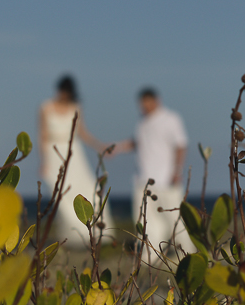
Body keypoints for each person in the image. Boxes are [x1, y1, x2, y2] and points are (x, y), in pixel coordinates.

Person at [110, 87, 191, 262]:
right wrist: (116, 148)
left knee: (175, 218)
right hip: (143, 180)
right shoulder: (142, 123)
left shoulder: (171, 119)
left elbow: (181, 145)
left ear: (156, 100)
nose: (144, 106)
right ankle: (150, 258)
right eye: (141, 103)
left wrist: (177, 171)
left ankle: (189, 255)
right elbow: (138, 143)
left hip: (166, 179)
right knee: (146, 221)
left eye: (147, 102)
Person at [38, 75, 113, 246]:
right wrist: (43, 161)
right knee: (61, 193)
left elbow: (83, 133)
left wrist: (100, 146)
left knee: (86, 187)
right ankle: (72, 234)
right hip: (53, 152)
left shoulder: (75, 107)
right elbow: (41, 135)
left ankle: (94, 229)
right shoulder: (45, 107)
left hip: (74, 152)